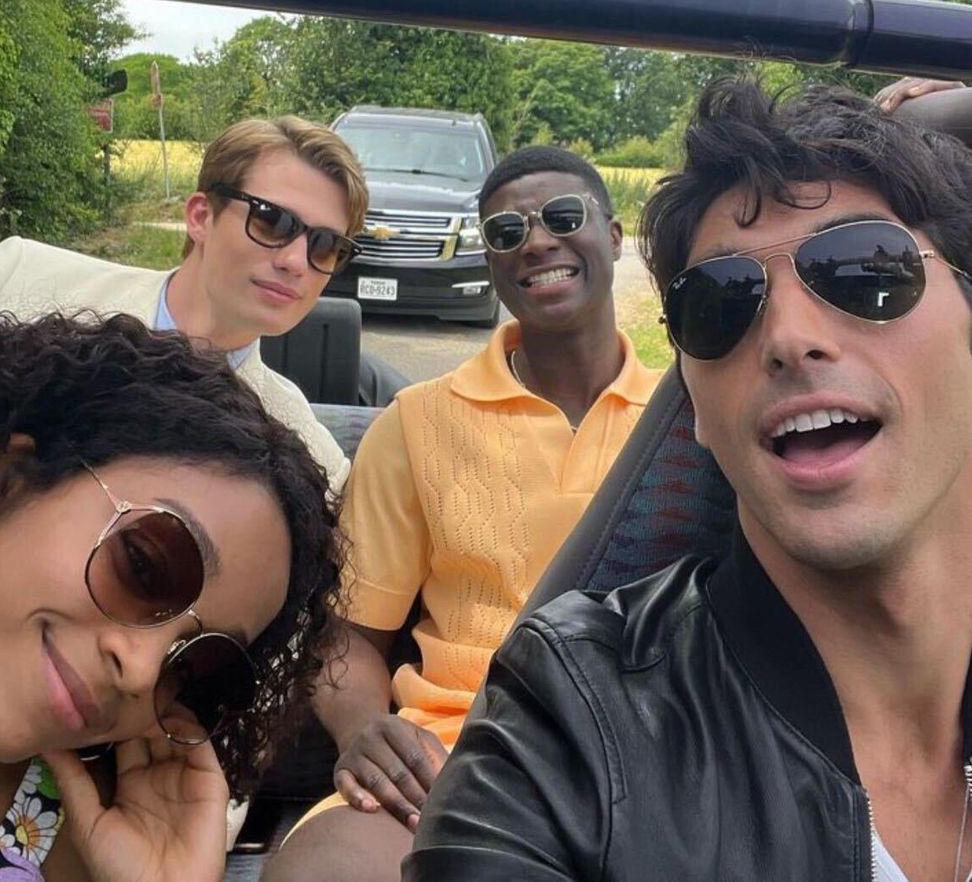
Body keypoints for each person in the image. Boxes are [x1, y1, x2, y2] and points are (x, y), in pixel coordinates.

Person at [405, 79, 972, 881]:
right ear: (694, 409)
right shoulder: (567, 721)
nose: (788, 337)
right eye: (720, 303)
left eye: (862, 269)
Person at [265, 146, 662, 882]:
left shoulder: (692, 419)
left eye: (563, 217)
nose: (536, 242)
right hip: (457, 750)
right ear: (493, 263)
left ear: (613, 237)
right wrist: (363, 729)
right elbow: (347, 633)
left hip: (661, 752)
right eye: (507, 232)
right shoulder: (418, 423)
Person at [0, 309, 342, 881]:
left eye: (193, 668)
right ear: (8, 473)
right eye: (144, 566)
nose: (141, 672)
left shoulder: (70, 833)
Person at [0, 116, 368, 493]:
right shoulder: (17, 276)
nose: (296, 262)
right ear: (201, 217)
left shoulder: (313, 461)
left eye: (325, 245)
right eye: (273, 221)